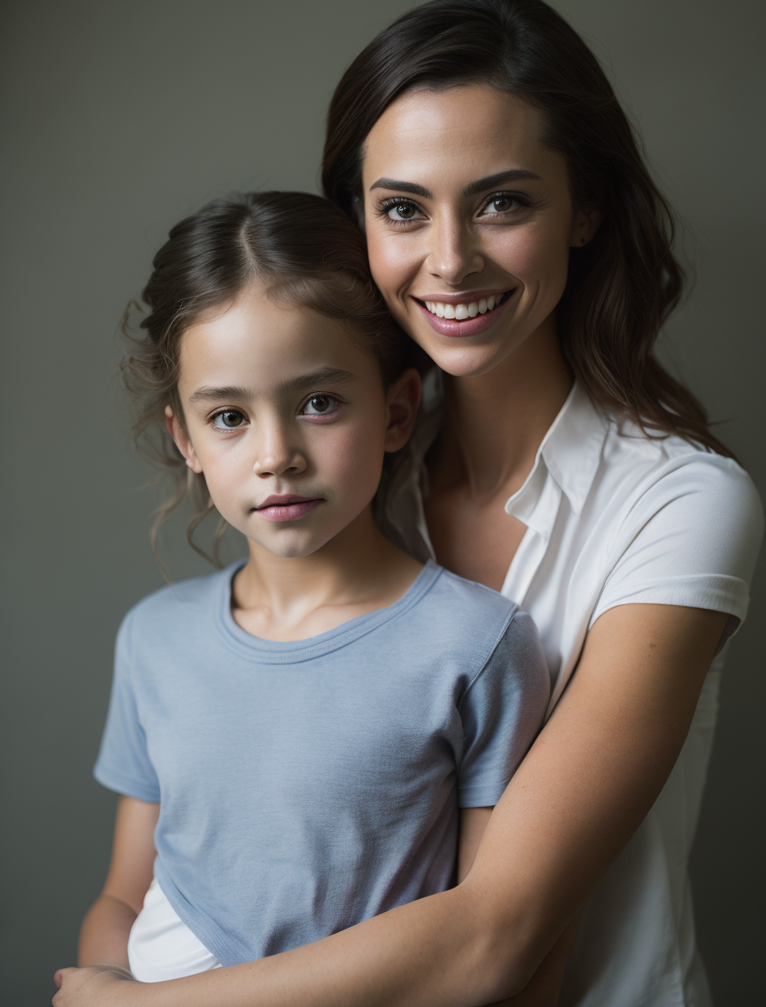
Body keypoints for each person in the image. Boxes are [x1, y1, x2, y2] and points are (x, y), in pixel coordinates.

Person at [53, 0, 763, 1006]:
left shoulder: (682, 501)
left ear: (587, 209)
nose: (449, 260)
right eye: (401, 208)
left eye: (503, 201)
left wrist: (130, 1004)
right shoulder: (341, 480)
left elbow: (496, 939)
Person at [57, 190, 551, 991]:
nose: (276, 454)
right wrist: (106, 982)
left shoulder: (474, 645)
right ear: (184, 436)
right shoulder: (156, 638)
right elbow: (124, 892)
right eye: (228, 417)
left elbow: (480, 930)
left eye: (319, 403)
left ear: (395, 413)